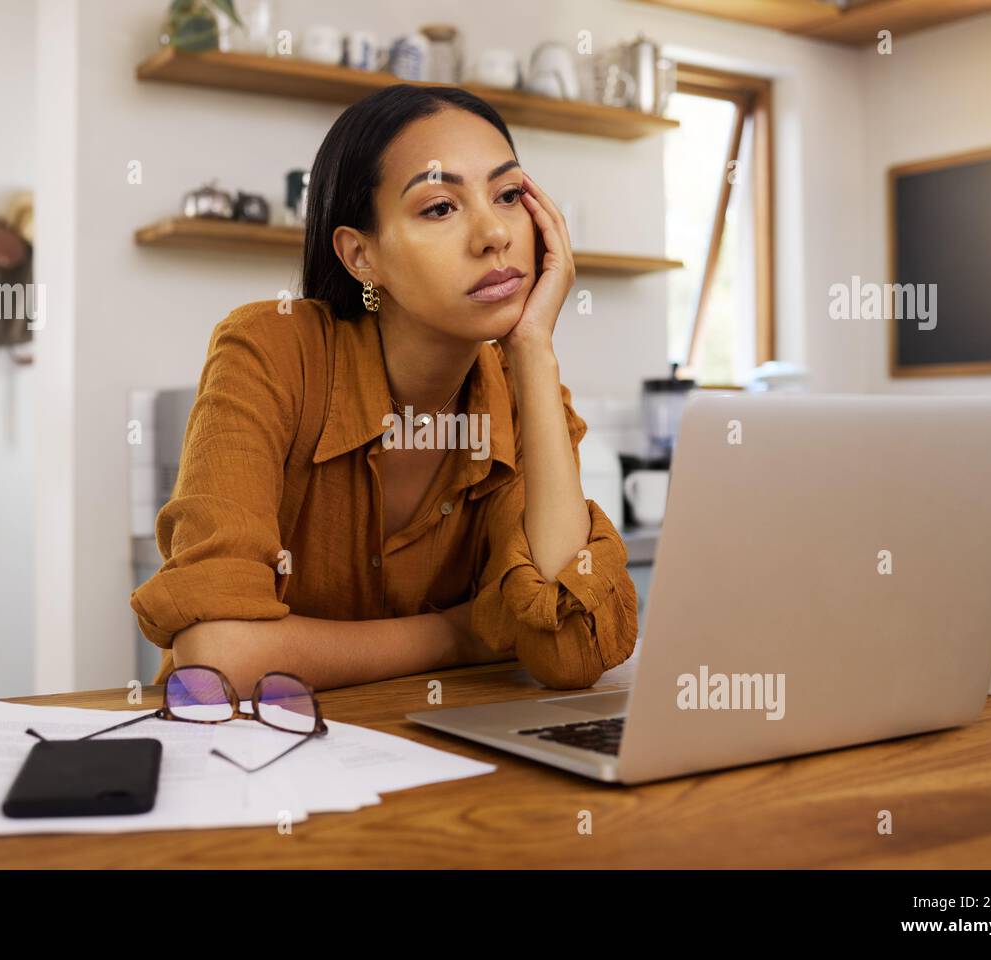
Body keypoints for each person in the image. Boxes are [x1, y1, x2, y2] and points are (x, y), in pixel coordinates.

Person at [130, 84, 638, 698]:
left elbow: (568, 650)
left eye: (508, 196)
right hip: (248, 762)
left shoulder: (522, 389)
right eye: (440, 208)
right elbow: (218, 657)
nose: (494, 235)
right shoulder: (271, 348)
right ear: (361, 255)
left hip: (447, 764)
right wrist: (466, 632)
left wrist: (533, 347)